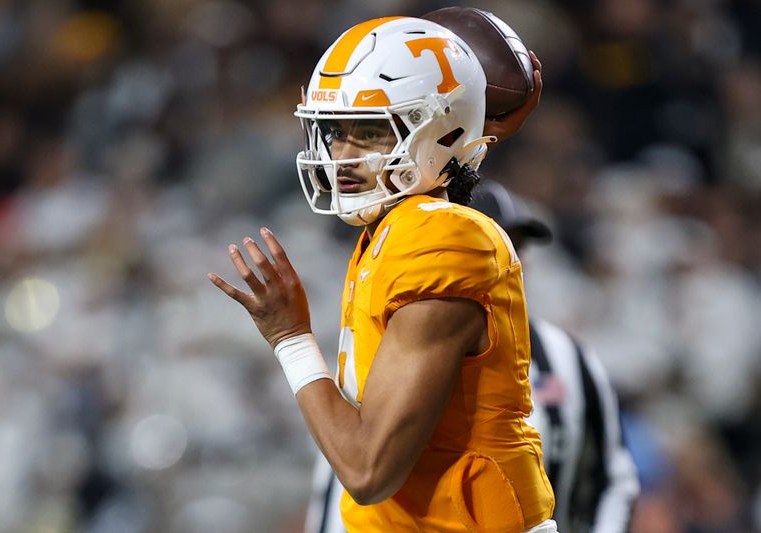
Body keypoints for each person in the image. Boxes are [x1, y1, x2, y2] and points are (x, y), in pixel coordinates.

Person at [209, 16, 556, 533]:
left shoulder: (443, 238)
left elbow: (368, 470)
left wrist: (291, 338)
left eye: (369, 131)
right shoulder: (393, 230)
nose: (342, 157)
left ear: (442, 130)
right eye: (334, 131)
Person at [306, 182, 641, 533]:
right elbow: (347, 470)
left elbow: (613, 477)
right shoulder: (384, 352)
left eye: (516, 244)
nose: (511, 257)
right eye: (492, 241)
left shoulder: (568, 356)